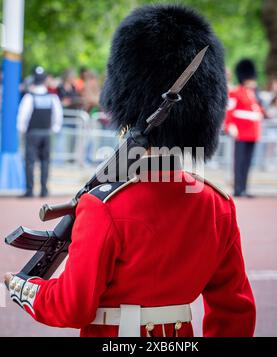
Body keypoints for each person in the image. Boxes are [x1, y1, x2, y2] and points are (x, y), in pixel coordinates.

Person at [5, 5, 255, 337]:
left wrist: (24, 287)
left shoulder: (103, 206)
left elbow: (71, 305)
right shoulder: (216, 205)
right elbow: (235, 312)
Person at [17, 66, 63, 197]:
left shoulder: (29, 97)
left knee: (30, 162)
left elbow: (23, 116)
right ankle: (44, 190)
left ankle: (30, 190)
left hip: (32, 133)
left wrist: (22, 131)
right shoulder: (52, 97)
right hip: (46, 133)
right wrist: (54, 129)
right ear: (44, 80)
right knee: (45, 161)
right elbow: (58, 116)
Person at [225, 59, 264, 197]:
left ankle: (244, 188)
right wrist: (230, 126)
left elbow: (258, 112)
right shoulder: (235, 93)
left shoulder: (253, 94)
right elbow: (229, 112)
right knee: (239, 162)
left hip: (252, 133)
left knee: (247, 162)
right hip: (241, 132)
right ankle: (238, 189)